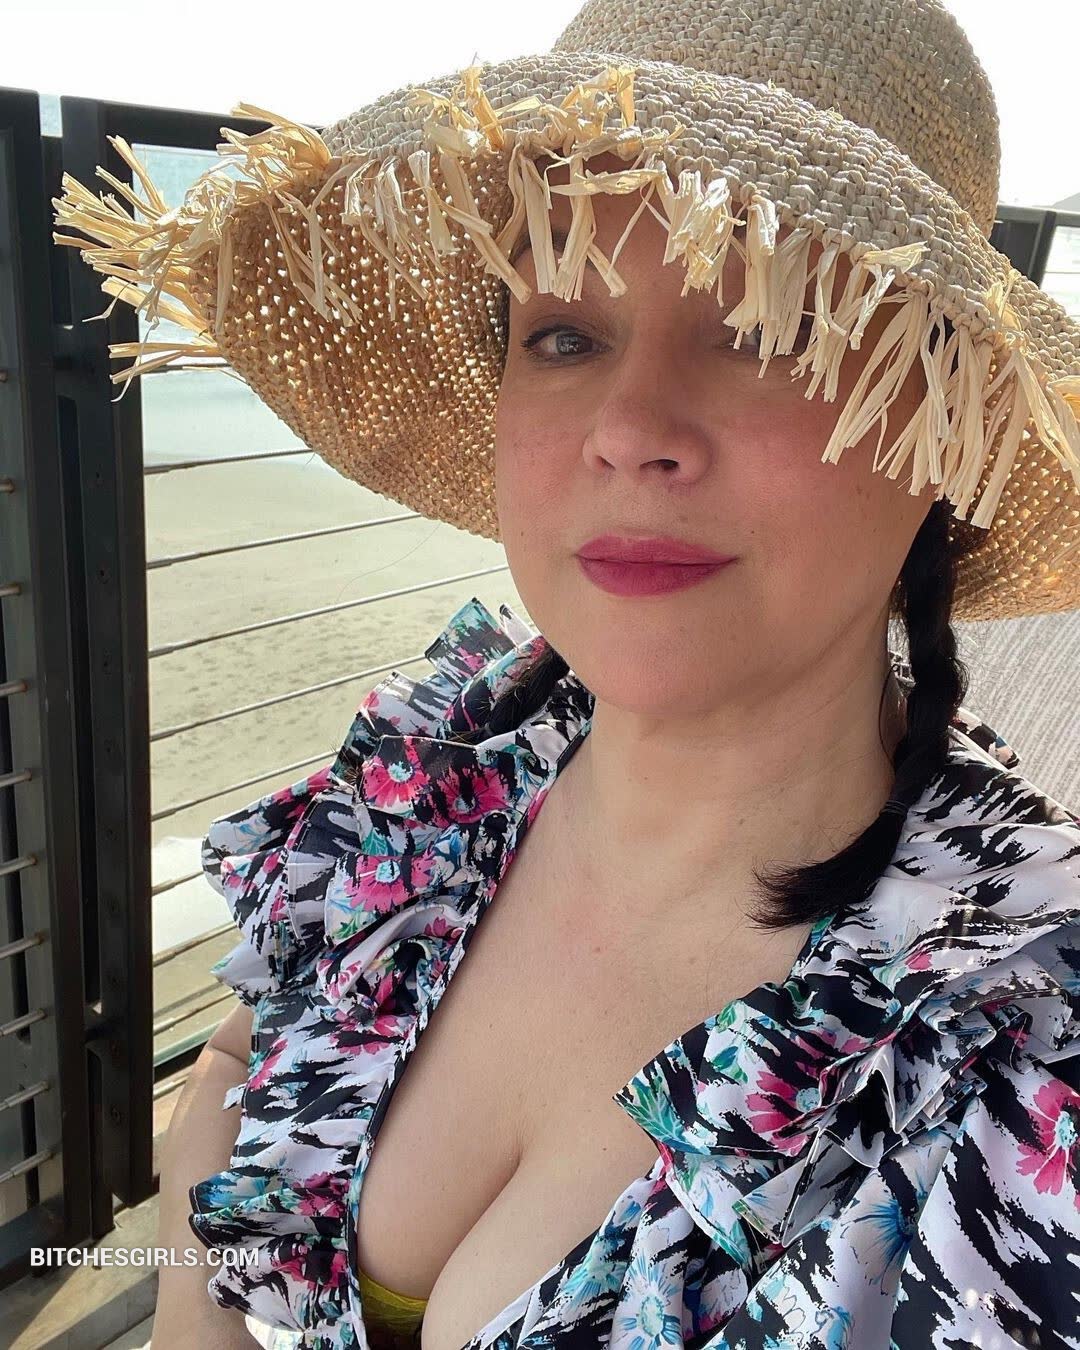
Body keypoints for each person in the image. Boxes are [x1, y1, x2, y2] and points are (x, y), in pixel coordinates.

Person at [52, 1, 1080, 1347]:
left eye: (768, 329)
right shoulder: (457, 755)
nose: (630, 426)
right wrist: (197, 1280)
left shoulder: (1018, 1046)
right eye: (563, 335)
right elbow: (249, 1055)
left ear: (948, 430)